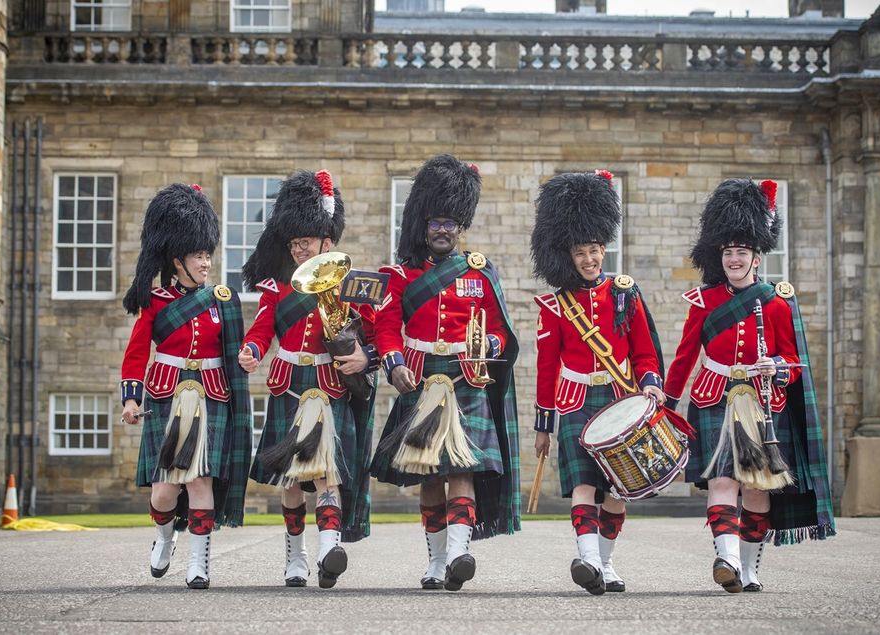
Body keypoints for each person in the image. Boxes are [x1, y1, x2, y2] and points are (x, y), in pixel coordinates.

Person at [663, 178, 836, 594]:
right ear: (719, 256)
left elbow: (795, 364)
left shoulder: (777, 302)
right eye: (728, 253)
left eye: (742, 252)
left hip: (762, 401)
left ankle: (748, 567)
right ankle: (724, 557)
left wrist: (774, 365)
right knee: (723, 481)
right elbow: (685, 357)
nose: (735, 259)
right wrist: (666, 402)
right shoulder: (703, 302)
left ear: (757, 257)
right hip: (714, 397)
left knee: (758, 489)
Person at [370, 154, 522, 592]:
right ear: (423, 224)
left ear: (460, 227)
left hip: (466, 378)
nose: (442, 230)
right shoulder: (398, 275)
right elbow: (385, 326)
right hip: (420, 377)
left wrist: (488, 344)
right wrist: (393, 362)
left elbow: (500, 328)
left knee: (463, 469)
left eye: (450, 223)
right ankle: (437, 563)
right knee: (431, 476)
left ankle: (458, 553)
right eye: (435, 221)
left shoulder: (479, 271)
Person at [238, 170, 378, 589]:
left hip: (328, 382)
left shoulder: (352, 283)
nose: (299, 249)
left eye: (306, 242)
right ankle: (296, 557)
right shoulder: (277, 286)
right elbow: (263, 327)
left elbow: (375, 337)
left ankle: (328, 548)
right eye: (294, 243)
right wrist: (251, 351)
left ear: (327, 242)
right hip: (289, 382)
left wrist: (364, 358)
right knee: (292, 479)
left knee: (327, 472)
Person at [529, 170, 667, 595]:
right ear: (567, 255)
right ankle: (587, 558)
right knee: (583, 483)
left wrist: (649, 383)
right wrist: (543, 424)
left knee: (620, 487)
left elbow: (644, 350)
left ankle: (604, 563)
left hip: (621, 397)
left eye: (594, 250)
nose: (588, 259)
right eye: (580, 252)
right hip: (574, 400)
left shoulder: (625, 293)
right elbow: (547, 366)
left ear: (603, 249)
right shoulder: (555, 306)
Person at [119, 183, 253, 590]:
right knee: (164, 491)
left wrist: (248, 356)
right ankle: (163, 538)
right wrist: (130, 397)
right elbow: (137, 352)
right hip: (167, 393)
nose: (206, 263)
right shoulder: (156, 301)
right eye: (198, 255)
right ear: (177, 259)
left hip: (210, 394)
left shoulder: (222, 300)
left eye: (208, 254)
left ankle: (199, 565)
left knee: (200, 481)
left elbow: (233, 350)